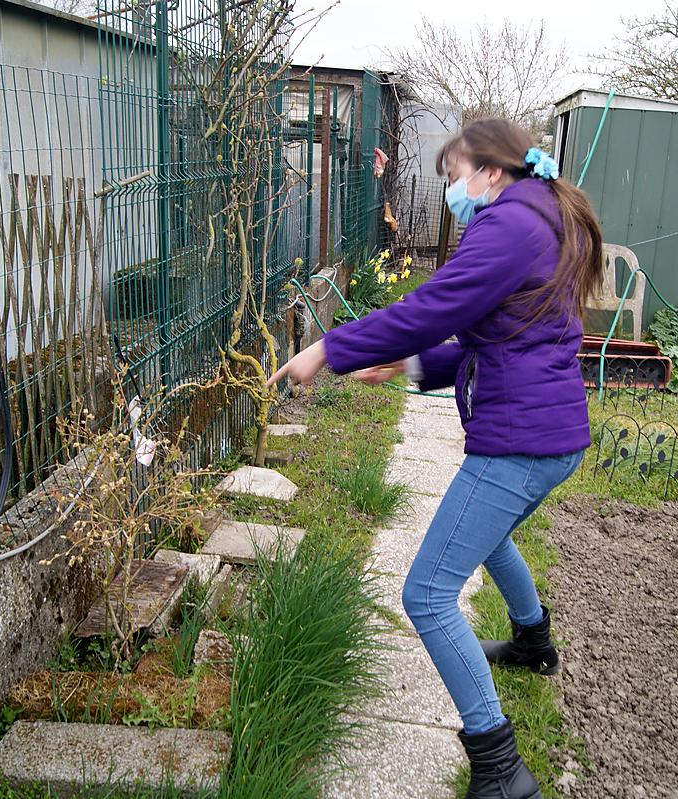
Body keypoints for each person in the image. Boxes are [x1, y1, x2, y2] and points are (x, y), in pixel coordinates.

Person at [267, 118, 604, 799]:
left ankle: (499, 767)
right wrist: (411, 366)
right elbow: (506, 338)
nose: (451, 190)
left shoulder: (509, 225)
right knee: (491, 535)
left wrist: (329, 347)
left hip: (519, 442)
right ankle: (534, 642)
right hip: (553, 433)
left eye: (453, 176)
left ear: (491, 171)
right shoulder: (540, 216)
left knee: (425, 591)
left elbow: (433, 306)